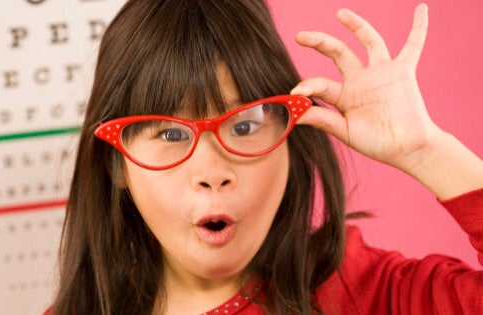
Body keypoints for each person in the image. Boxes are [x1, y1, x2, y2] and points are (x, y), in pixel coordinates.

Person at [47, 0, 483, 314]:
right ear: (117, 163)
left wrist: (426, 152)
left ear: (292, 138)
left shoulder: (367, 292)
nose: (212, 172)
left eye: (244, 125)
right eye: (170, 133)